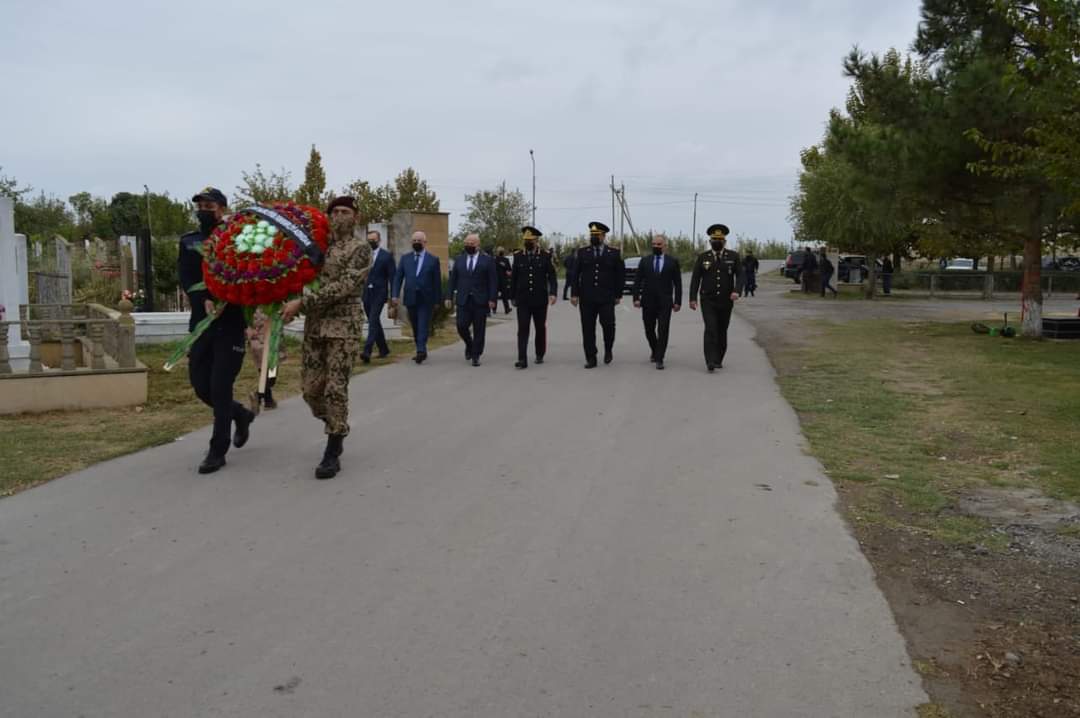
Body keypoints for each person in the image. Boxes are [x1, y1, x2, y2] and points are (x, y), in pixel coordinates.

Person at [281, 196, 371, 479]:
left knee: (335, 387)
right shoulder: (317, 247)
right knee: (310, 390)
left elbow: (344, 287)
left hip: (343, 327)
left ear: (355, 217)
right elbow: (300, 277)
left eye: (345, 212)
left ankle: (333, 448)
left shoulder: (360, 249)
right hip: (316, 326)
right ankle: (336, 421)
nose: (339, 216)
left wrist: (302, 305)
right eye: (335, 211)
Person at [178, 187, 255, 475]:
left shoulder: (237, 238)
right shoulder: (189, 241)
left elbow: (250, 275)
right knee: (202, 386)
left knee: (221, 386)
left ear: (222, 209)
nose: (204, 210)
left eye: (209, 206)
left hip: (230, 322)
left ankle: (217, 450)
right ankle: (241, 414)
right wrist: (204, 299)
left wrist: (230, 300)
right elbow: (186, 277)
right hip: (201, 323)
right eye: (200, 206)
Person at [689, 223, 743, 372]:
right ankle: (710, 360)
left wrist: (737, 291)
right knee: (710, 328)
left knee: (722, 329)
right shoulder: (703, 257)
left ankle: (719, 357)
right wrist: (692, 298)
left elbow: (740, 276)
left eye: (720, 240)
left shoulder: (733, 256)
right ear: (710, 241)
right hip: (708, 300)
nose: (717, 242)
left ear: (724, 241)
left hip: (726, 300)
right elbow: (695, 279)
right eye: (714, 240)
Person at [571, 221, 624, 368]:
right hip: (587, 297)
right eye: (592, 235)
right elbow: (575, 274)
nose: (593, 237)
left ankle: (608, 349)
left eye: (597, 235)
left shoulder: (613, 253)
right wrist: (574, 293)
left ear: (603, 236)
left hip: (606, 297)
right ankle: (591, 357)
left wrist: (618, 295)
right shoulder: (583, 252)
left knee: (608, 325)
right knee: (587, 328)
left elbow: (620, 275)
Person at [510, 226, 558, 369]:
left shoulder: (545, 256)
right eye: (526, 240)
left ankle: (539, 352)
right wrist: (512, 296)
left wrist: (553, 293)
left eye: (531, 240)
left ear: (537, 240)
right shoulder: (518, 256)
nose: (528, 242)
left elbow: (552, 277)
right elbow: (514, 278)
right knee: (523, 328)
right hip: (523, 299)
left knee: (540, 328)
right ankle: (522, 359)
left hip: (539, 299)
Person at [446, 233, 498, 366]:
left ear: (478, 245)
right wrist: (448, 296)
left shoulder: (487, 260)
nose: (468, 246)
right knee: (461, 326)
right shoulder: (459, 259)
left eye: (471, 244)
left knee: (479, 329)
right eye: (467, 244)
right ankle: (469, 344)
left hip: (480, 300)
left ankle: (476, 355)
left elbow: (493, 281)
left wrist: (492, 298)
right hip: (463, 299)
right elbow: (453, 280)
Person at [632, 234, 682, 370]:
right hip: (648, 301)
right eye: (653, 244)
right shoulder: (645, 261)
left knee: (663, 329)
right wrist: (636, 298)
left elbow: (677, 283)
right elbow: (637, 281)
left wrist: (677, 301)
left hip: (665, 302)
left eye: (659, 244)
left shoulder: (672, 262)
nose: (656, 246)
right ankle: (655, 349)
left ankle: (660, 358)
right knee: (649, 329)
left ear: (665, 246)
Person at [391, 231, 442, 363]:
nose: (416, 243)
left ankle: (421, 350)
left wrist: (437, 300)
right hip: (411, 297)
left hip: (427, 298)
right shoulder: (405, 259)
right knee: (415, 325)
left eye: (419, 240)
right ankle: (420, 347)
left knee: (423, 324)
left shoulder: (433, 260)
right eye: (414, 241)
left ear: (425, 242)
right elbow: (398, 278)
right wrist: (395, 295)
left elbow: (437, 282)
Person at [360, 229, 394, 363]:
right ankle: (383, 349)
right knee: (374, 321)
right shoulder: (363, 256)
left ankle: (367, 350)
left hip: (380, 293)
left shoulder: (386, 256)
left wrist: (393, 296)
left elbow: (392, 276)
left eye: (373, 240)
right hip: (366, 293)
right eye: (369, 240)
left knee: (373, 319)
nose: (371, 242)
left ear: (379, 240)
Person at [245, 308, 286, 409]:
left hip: (264, 341)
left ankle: (269, 401)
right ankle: (258, 395)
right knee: (270, 375)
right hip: (263, 340)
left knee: (266, 373)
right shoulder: (255, 304)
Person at [495, 247, 513, 314]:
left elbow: (509, 270)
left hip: (498, 280)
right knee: (504, 295)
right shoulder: (504, 260)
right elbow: (509, 271)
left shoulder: (495, 259)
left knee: (496, 295)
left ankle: (495, 309)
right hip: (502, 280)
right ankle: (506, 308)